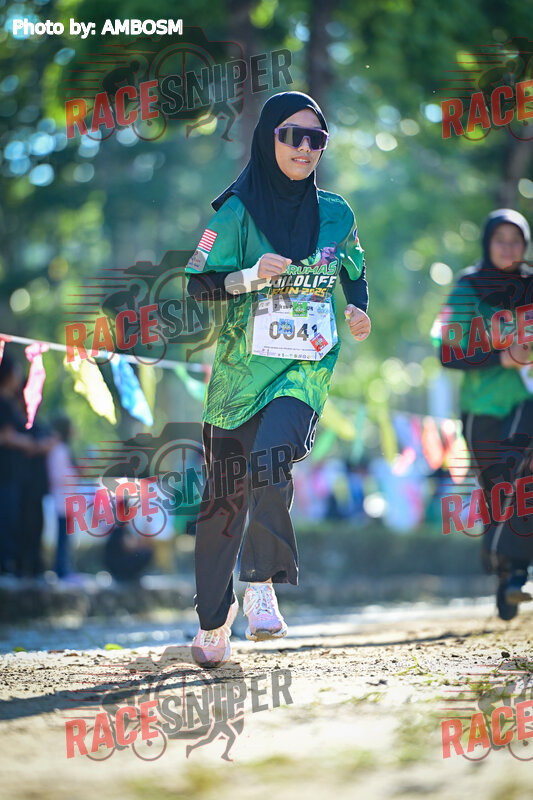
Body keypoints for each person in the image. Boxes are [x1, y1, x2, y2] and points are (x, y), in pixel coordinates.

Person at [185, 91, 371, 667]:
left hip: (303, 369)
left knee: (272, 459)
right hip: (239, 378)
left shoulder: (337, 213)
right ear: (269, 139)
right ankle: (213, 620)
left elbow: (354, 270)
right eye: (294, 136)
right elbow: (196, 283)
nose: (306, 148)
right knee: (222, 504)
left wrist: (359, 308)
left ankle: (261, 582)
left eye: (317, 139)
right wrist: (249, 275)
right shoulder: (235, 212)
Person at [435, 208, 533, 620]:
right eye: (500, 240)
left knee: (523, 477)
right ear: (487, 243)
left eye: (516, 241)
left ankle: (517, 570)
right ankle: (505, 575)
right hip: (481, 408)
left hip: (525, 400)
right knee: (498, 490)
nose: (508, 248)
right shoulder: (468, 287)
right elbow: (446, 353)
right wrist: (500, 356)